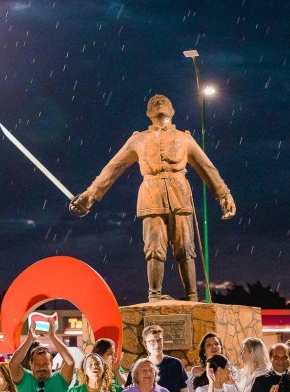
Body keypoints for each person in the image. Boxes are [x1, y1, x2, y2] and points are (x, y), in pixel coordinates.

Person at [68, 94, 236, 302]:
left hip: (180, 196)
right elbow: (113, 168)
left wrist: (223, 194)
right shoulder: (137, 140)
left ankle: (192, 296)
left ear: (172, 111)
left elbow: (206, 167)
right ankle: (154, 295)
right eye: (154, 102)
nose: (159, 101)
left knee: (185, 247)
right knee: (154, 248)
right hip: (151, 196)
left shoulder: (185, 138)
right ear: (148, 113)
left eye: (164, 101)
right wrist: (90, 195)